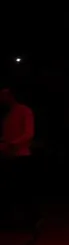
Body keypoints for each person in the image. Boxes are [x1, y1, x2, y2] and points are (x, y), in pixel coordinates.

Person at [1, 84, 36, 227]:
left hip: (20, 156)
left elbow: (28, 133)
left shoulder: (24, 111)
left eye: (3, 95)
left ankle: (26, 221)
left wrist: (12, 144)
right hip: (9, 156)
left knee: (21, 190)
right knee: (12, 189)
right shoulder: (9, 115)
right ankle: (14, 220)